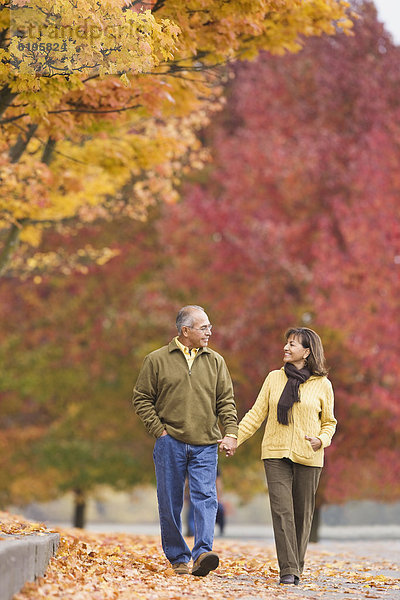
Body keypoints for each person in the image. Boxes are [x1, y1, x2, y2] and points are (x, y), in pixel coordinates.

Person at [132, 305, 238, 576]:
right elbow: (142, 398)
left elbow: (226, 401)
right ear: (185, 330)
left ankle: (203, 553)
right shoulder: (156, 360)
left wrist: (231, 432)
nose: (209, 332)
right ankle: (178, 557)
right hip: (171, 443)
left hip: (206, 444)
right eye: (204, 327)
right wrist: (159, 431)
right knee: (170, 502)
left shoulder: (216, 361)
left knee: (206, 497)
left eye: (209, 327)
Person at [237, 327, 336, 586]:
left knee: (302, 516)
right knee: (282, 511)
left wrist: (321, 440)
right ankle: (288, 571)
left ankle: (295, 566)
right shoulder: (273, 379)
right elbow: (256, 414)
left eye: (292, 344)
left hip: (309, 455)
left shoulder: (322, 384)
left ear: (307, 351)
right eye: (286, 343)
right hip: (275, 452)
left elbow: (329, 422)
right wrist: (234, 438)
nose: (286, 348)